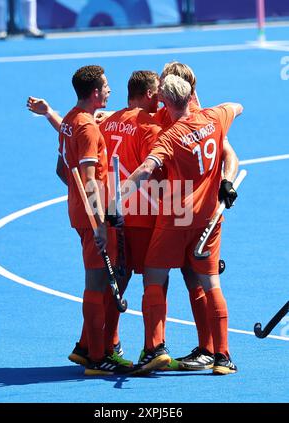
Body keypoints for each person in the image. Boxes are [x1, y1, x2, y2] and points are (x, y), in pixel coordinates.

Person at [120, 73, 243, 375]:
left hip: (176, 215)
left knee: (153, 275)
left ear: (163, 100)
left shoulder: (170, 137)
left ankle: (153, 349)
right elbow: (237, 106)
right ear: (191, 97)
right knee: (211, 283)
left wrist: (115, 197)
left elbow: (146, 170)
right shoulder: (215, 117)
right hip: (209, 217)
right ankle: (223, 358)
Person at [56, 64, 134, 376]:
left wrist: (80, 201)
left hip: (79, 210)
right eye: (106, 86)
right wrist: (100, 221)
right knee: (98, 282)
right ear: (94, 93)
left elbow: (62, 170)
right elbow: (89, 179)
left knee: (100, 280)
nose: (110, 90)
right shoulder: (87, 127)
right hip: (93, 215)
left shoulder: (69, 120)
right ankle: (97, 356)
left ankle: (86, 347)